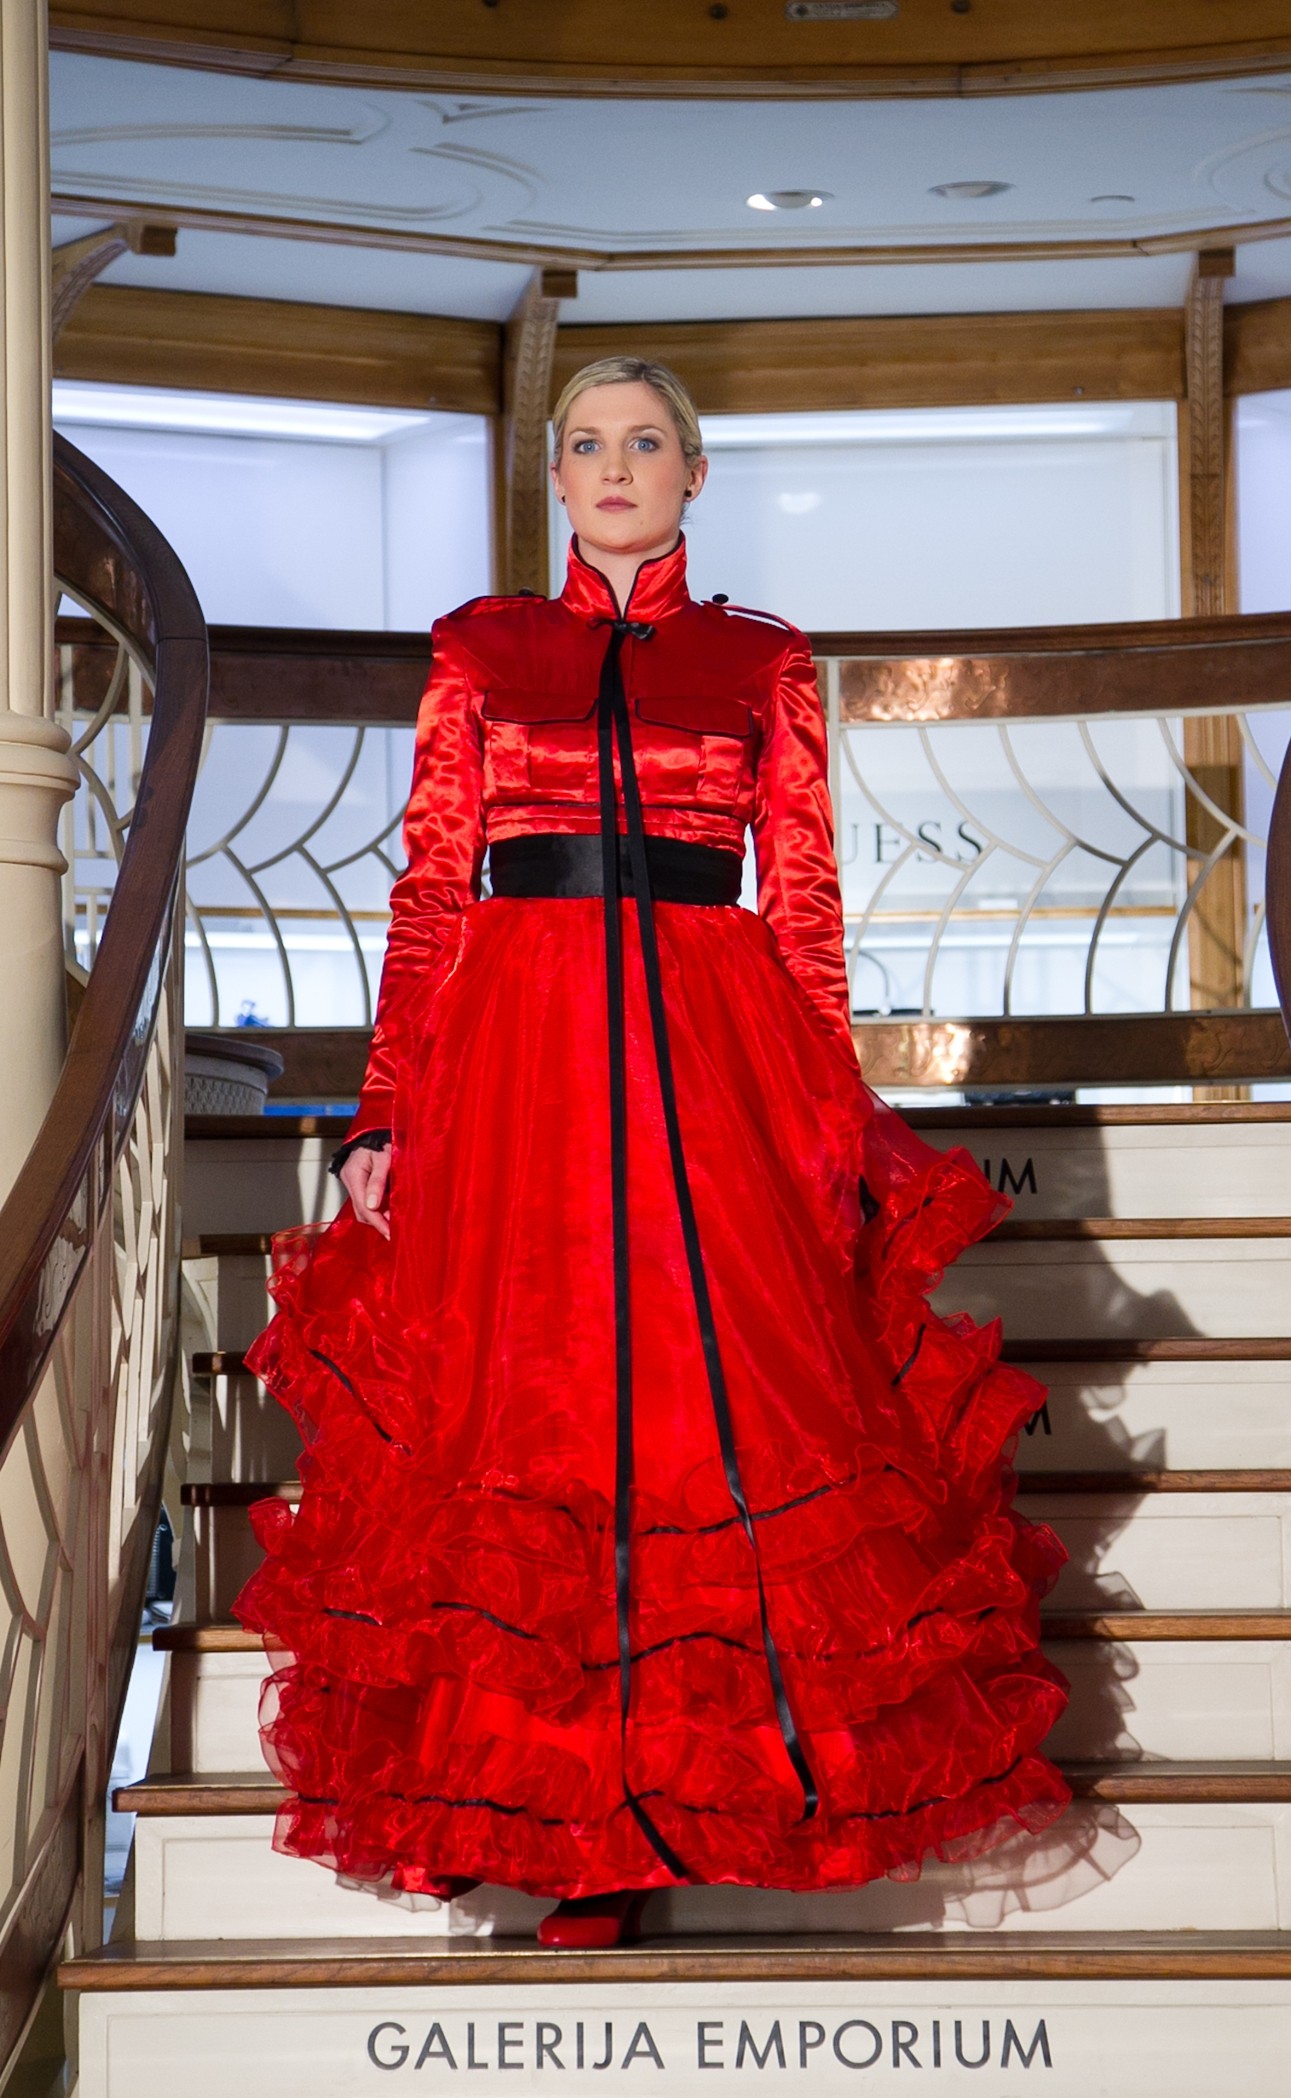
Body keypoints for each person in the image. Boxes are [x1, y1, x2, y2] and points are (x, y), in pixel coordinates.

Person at [234, 356, 1069, 1952]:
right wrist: (385, 1104)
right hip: (515, 1057)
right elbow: (430, 887)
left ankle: (705, 1796)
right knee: (530, 1420)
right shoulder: (481, 647)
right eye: (586, 445)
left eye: (644, 442)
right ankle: (526, 1807)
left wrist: (831, 1111)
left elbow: (804, 901)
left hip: (710, 1056)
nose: (614, 467)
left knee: (702, 1425)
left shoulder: (761, 657)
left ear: (693, 472)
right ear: (555, 479)